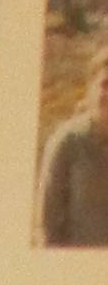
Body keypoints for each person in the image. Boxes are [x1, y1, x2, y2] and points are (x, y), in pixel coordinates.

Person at [38, 42, 108, 248]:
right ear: (91, 87)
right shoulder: (67, 142)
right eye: (105, 85)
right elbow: (49, 224)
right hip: (75, 271)